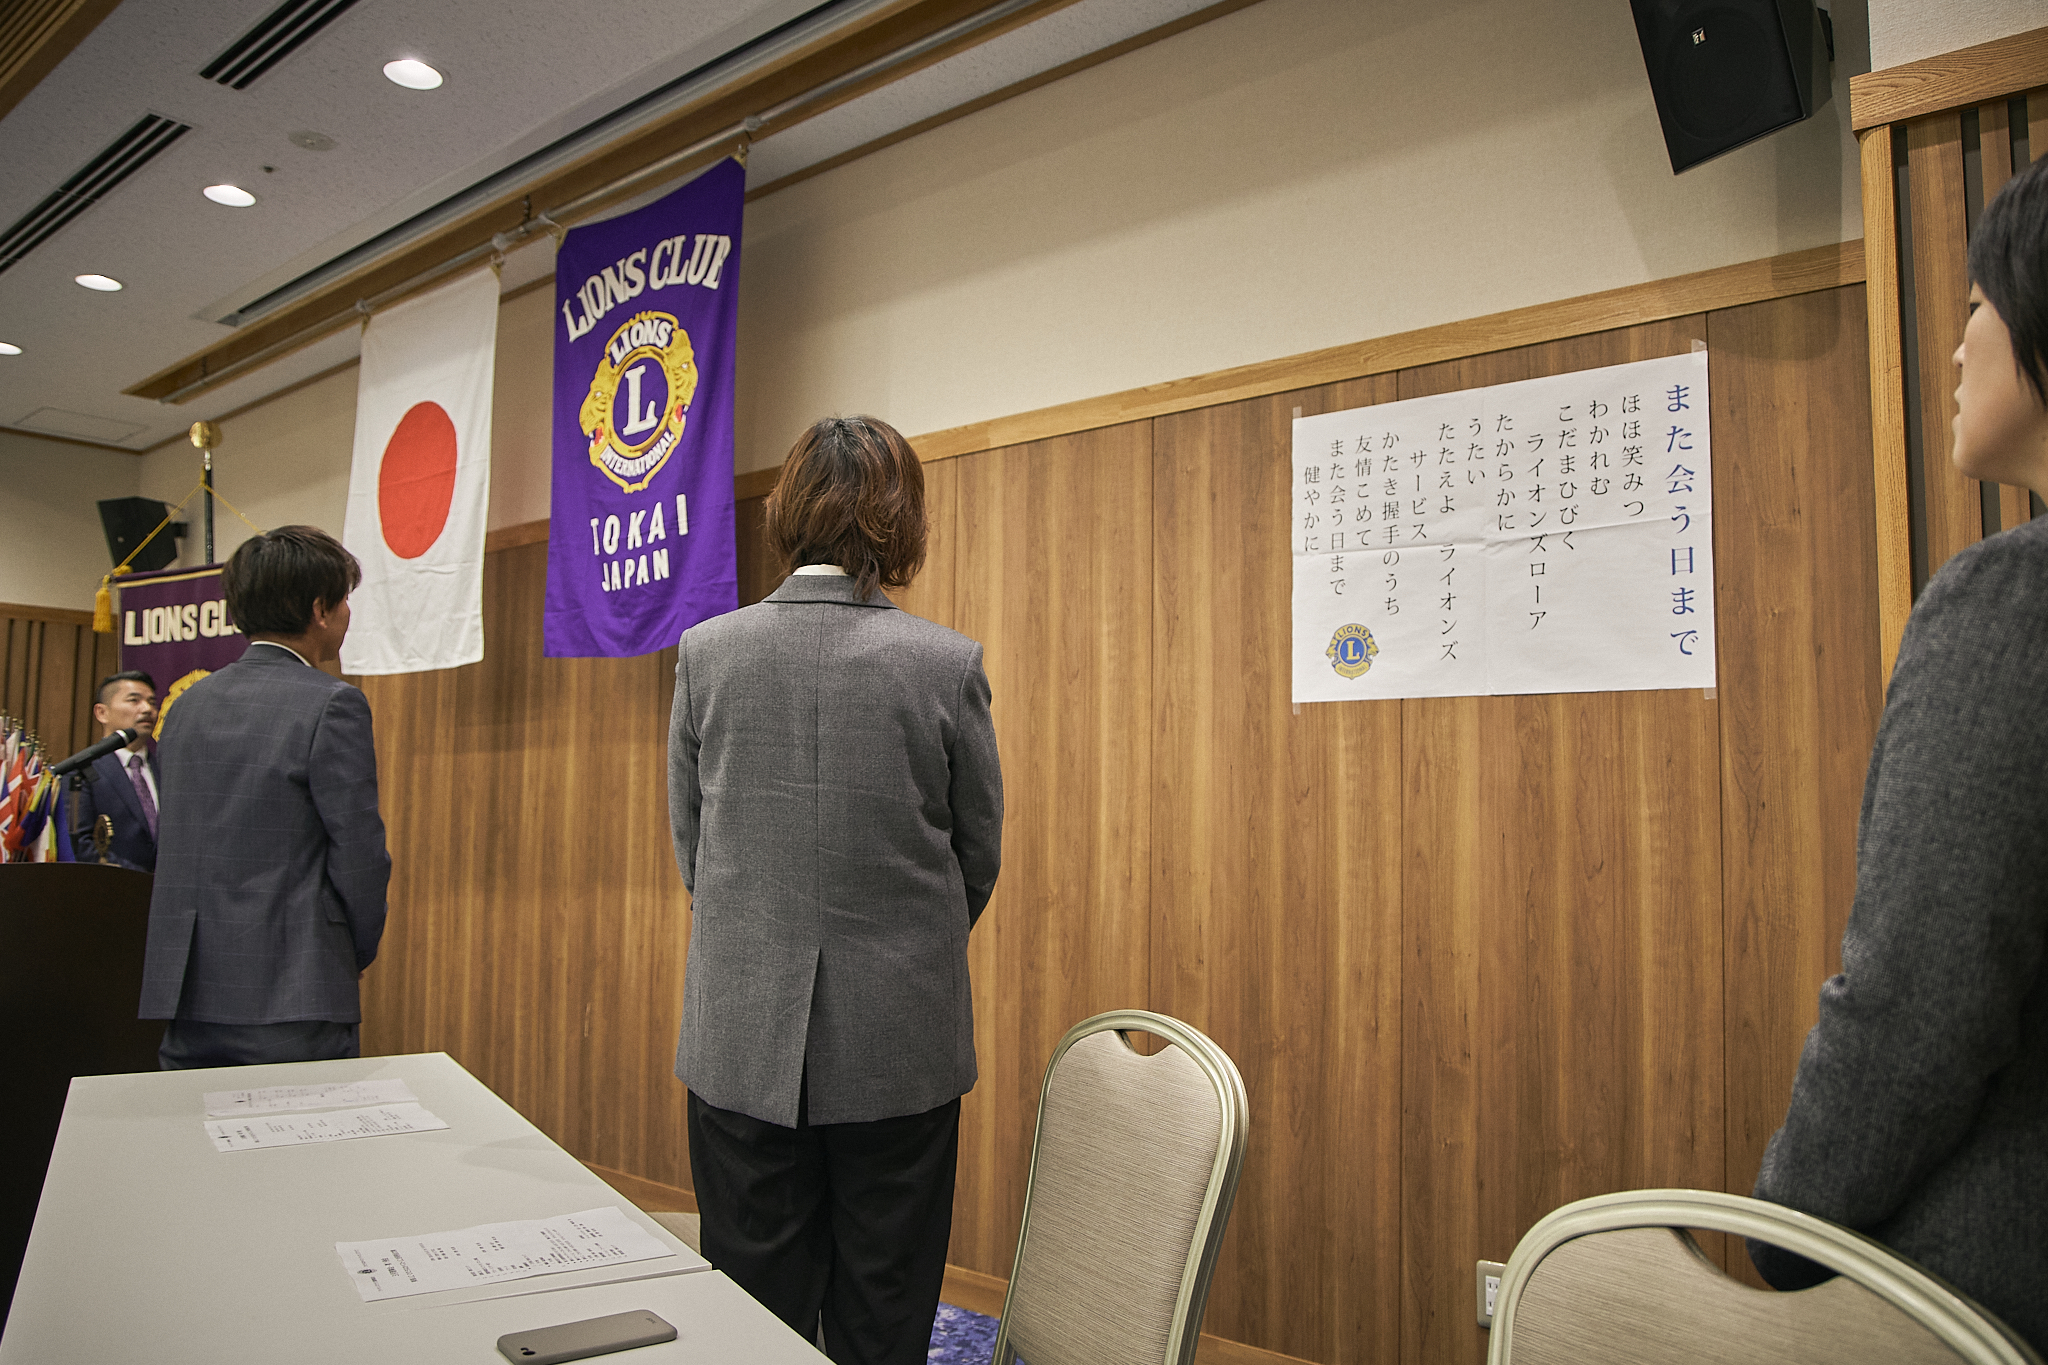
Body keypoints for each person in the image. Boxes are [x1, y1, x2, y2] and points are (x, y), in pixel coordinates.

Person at [1750, 155, 2048, 1354]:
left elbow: (1911, 1011)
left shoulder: (2008, 607)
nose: (1959, 341)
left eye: (1977, 303)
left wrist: (1780, 1229)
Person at [669, 415, 1002, 1365]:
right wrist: (908, 941)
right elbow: (977, 852)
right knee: (884, 1310)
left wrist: (755, 934)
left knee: (751, 1313)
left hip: (741, 1035)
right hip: (902, 1043)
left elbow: (696, 847)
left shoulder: (707, 652)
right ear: (904, 519)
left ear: (788, 510)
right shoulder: (948, 664)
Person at [139, 526, 391, 1071]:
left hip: (186, 988)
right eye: (346, 600)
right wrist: (353, 948)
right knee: (296, 1152)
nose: (349, 614)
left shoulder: (185, 706)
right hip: (291, 987)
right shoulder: (333, 705)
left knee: (200, 1147)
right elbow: (360, 855)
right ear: (320, 610)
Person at [70, 670, 159, 870]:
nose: (147, 709)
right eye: (134, 700)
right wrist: (140, 880)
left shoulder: (167, 769)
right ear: (102, 712)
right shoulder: (81, 771)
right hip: (113, 890)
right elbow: (79, 844)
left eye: (152, 702)